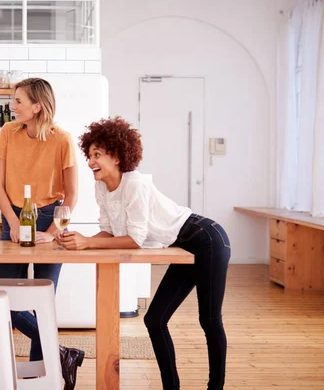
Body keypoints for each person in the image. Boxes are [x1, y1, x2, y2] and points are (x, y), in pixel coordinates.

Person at [57, 117, 231, 390]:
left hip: (207, 237)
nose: (90, 161)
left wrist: (88, 243)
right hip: (182, 243)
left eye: (97, 155)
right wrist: (82, 239)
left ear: (116, 156)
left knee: (209, 320)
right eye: (89, 155)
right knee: (155, 319)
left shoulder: (135, 184)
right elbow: (108, 232)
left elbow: (134, 240)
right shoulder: (101, 186)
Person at [0, 78, 84, 390]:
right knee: (3, 299)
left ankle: (37, 377)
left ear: (37, 106)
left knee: (44, 301)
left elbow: (71, 195)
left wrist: (53, 232)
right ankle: (62, 354)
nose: (13, 106)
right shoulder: (7, 133)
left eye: (18, 101)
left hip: (49, 217)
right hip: (13, 215)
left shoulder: (63, 140)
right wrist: (13, 224)